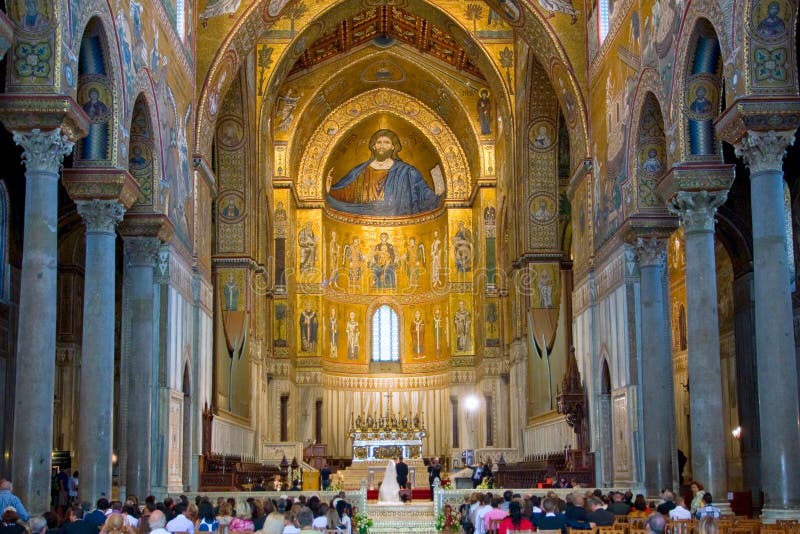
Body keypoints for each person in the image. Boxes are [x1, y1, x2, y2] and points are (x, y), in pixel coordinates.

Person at [326, 129, 440, 216]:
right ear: (373, 147)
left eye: (386, 142)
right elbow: (343, 193)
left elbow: (425, 196)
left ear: (393, 147)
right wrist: (328, 190)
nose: (382, 146)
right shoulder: (360, 170)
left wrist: (439, 191)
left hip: (400, 221)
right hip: (362, 215)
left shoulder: (407, 172)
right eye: (378, 142)